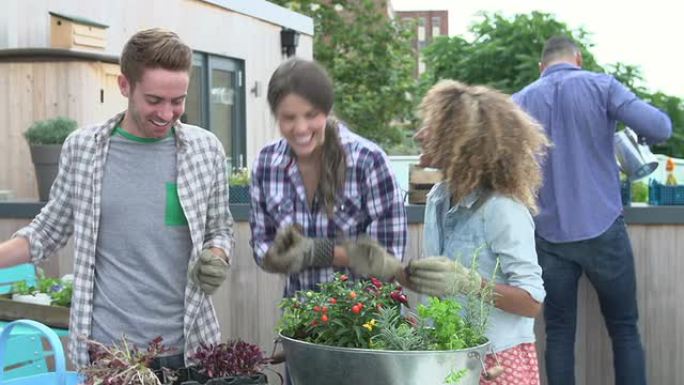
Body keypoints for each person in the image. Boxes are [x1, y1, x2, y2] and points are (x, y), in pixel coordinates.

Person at [0, 28, 233, 368]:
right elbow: (46, 233)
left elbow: (220, 229)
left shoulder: (205, 150)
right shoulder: (84, 150)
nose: (167, 114)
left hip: (188, 350)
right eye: (154, 100)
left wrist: (217, 255)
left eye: (177, 101)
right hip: (108, 353)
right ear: (125, 86)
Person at [512, 36, 672, 385]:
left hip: (547, 235)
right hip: (603, 230)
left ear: (542, 67)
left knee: (558, 334)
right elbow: (661, 128)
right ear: (578, 58)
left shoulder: (519, 102)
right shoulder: (602, 86)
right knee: (624, 329)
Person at [408, 80, 549, 384]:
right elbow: (439, 281)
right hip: (448, 354)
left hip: (497, 362)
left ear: (463, 142)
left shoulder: (502, 209)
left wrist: (471, 283)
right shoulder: (438, 197)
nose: (420, 136)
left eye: (431, 129)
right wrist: (387, 268)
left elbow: (531, 301)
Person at [250, 58, 407, 298]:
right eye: (288, 118)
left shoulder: (368, 162)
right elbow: (261, 243)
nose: (301, 128)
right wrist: (274, 256)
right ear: (276, 116)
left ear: (326, 110)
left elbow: (390, 255)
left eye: (311, 115)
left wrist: (318, 252)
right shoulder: (266, 164)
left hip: (363, 323)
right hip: (299, 321)